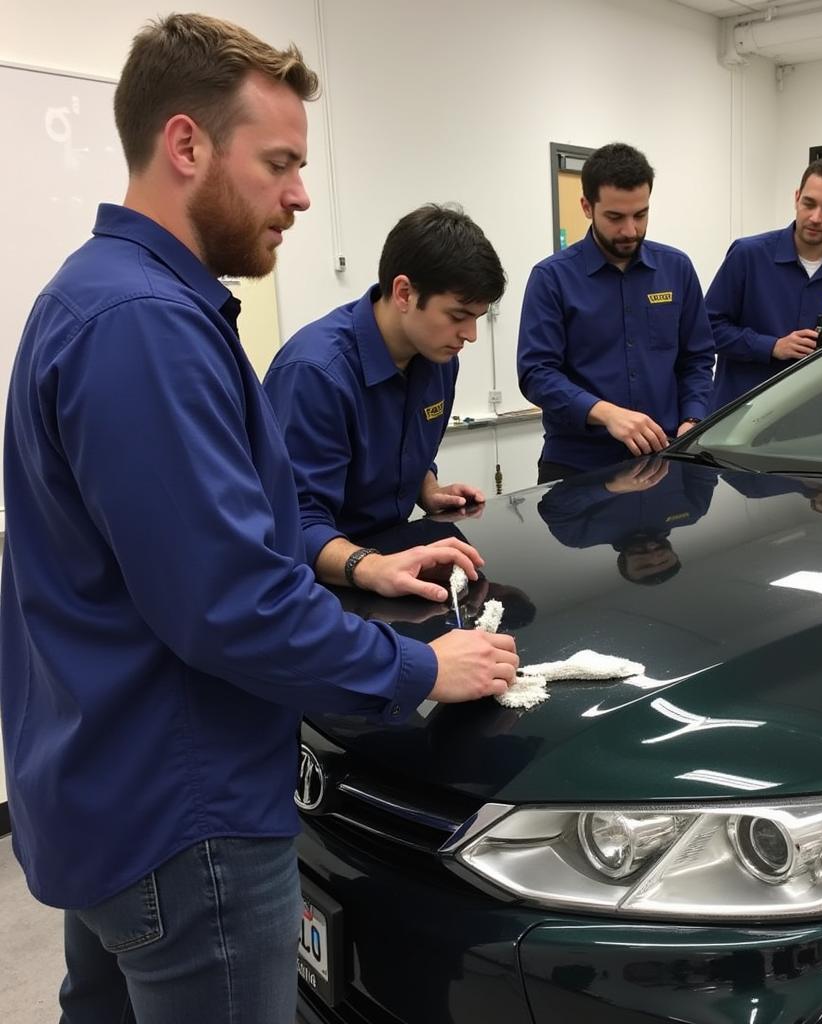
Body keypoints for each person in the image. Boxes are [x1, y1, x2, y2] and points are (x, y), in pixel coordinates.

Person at [0, 15, 517, 1024]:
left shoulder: (104, 297)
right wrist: (421, 668)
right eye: (279, 162)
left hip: (103, 787)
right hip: (182, 819)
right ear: (187, 144)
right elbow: (235, 603)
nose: (301, 194)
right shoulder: (145, 327)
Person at [264, 204, 505, 601]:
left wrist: (426, 486)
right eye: (459, 315)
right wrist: (371, 566)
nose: (471, 334)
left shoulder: (438, 360)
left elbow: (407, 441)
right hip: (319, 584)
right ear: (405, 293)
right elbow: (291, 522)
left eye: (478, 317)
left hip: (392, 562)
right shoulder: (315, 373)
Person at [516, 142, 715, 484]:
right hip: (578, 466)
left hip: (662, 461)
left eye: (641, 215)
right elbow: (536, 373)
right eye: (615, 217)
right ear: (586, 206)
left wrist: (693, 419)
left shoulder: (676, 269)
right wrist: (606, 414)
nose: (629, 230)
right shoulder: (552, 278)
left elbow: (697, 359)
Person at [706, 155, 822, 412]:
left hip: (808, 421)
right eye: (809, 203)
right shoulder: (748, 255)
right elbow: (708, 329)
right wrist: (772, 346)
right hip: (738, 417)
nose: (815, 217)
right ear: (796, 198)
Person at [538, 456, 717, 585]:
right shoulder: (693, 512)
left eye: (644, 565)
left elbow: (552, 507)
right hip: (661, 426)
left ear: (623, 563)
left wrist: (611, 487)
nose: (654, 557)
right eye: (663, 561)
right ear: (674, 555)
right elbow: (702, 465)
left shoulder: (581, 537)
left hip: (588, 438)